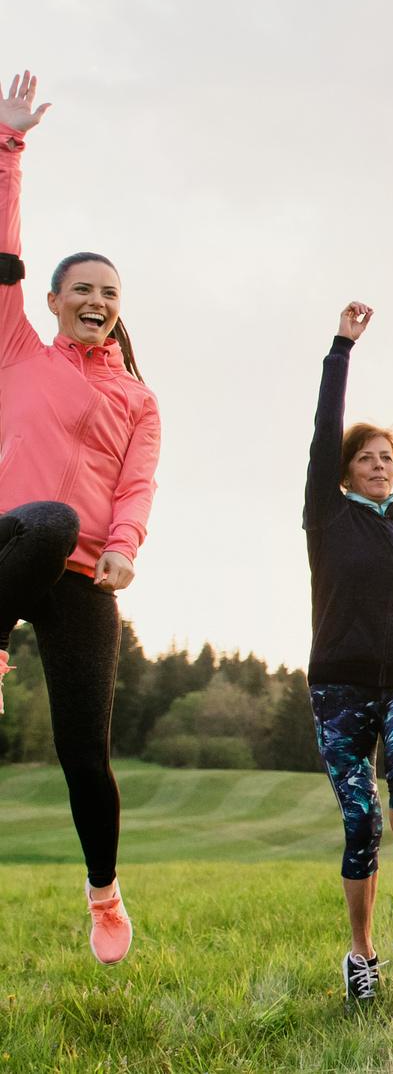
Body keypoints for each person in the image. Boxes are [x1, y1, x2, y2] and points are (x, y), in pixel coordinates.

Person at [0, 70, 159, 967]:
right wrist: (10, 148)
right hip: (10, 535)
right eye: (82, 289)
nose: (97, 302)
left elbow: (136, 488)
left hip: (79, 576)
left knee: (83, 753)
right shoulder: (16, 346)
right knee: (51, 517)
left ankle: (103, 892)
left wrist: (126, 551)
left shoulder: (138, 399)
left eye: (110, 294)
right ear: (54, 298)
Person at [304, 302, 393, 1004]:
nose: (376, 465)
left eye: (386, 458)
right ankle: (361, 954)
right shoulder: (326, 517)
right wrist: (341, 349)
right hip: (338, 683)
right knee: (359, 817)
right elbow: (324, 428)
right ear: (345, 471)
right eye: (364, 458)